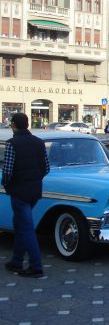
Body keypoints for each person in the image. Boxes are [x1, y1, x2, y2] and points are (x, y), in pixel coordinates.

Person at [2, 113, 50, 278]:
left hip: (18, 192)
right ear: (27, 124)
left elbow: (7, 171)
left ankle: (36, 267)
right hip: (35, 191)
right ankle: (16, 260)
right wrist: (35, 180)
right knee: (21, 226)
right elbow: (46, 168)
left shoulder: (12, 144)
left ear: (14, 125)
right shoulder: (39, 143)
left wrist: (7, 186)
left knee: (27, 229)